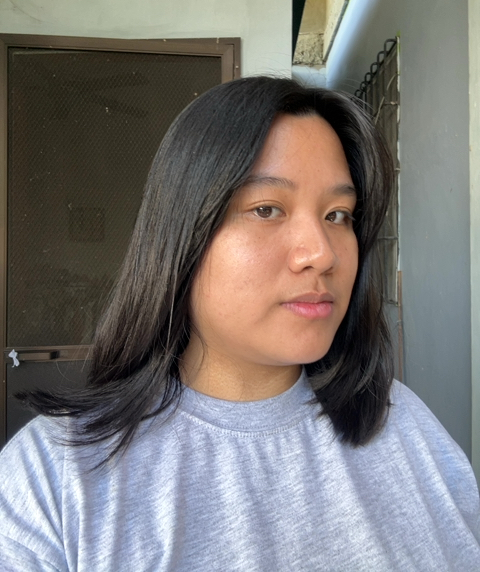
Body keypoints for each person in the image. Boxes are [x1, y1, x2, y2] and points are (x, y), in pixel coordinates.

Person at [0, 76, 479, 571]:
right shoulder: (54, 480)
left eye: (338, 215)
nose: (322, 254)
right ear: (182, 234)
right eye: (267, 209)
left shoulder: (403, 423)